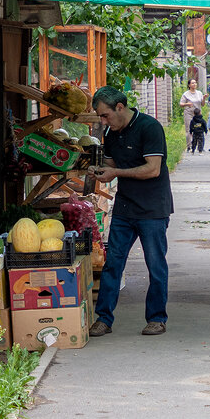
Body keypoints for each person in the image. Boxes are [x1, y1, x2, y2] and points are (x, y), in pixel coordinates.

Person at [87, 86, 173, 337]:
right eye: (100, 117)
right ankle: (104, 318)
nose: (103, 122)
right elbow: (111, 166)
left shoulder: (150, 127)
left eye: (105, 115)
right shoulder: (112, 135)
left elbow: (152, 169)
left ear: (120, 108)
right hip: (125, 207)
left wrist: (115, 173)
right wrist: (97, 170)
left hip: (153, 208)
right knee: (113, 263)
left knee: (155, 265)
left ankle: (156, 318)